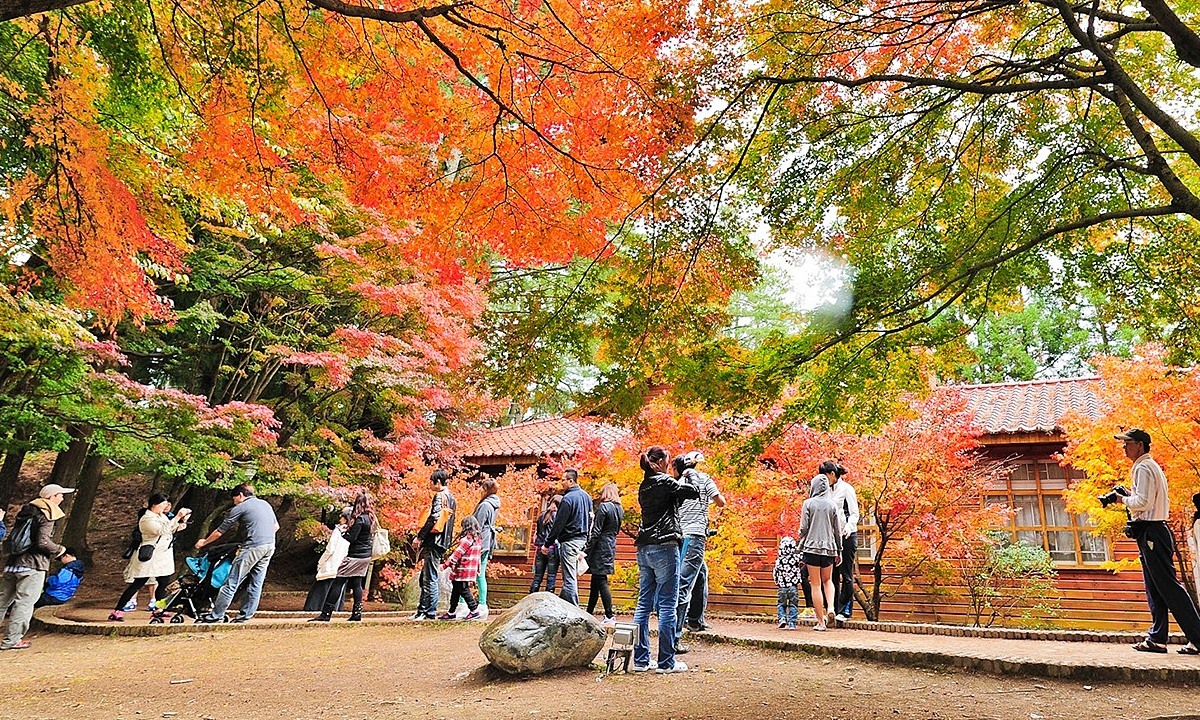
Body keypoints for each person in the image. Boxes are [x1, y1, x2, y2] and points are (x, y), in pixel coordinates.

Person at [1112, 429, 1200, 654]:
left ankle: (1198, 637)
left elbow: (1143, 502)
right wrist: (1128, 494)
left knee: (1169, 587)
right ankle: (1157, 638)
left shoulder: (1143, 467)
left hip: (1152, 532)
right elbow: (1147, 498)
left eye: (1127, 443)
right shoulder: (1150, 466)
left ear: (1140, 445)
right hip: (1153, 532)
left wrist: (1122, 499)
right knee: (1155, 588)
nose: (1124, 447)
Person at [631, 446, 700, 674]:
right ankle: (666, 662)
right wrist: (689, 471)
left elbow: (669, 504)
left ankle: (640, 661)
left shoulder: (644, 486)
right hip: (666, 546)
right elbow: (693, 492)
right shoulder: (665, 481)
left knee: (643, 604)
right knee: (668, 604)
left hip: (644, 548)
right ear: (661, 462)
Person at [0, 484, 76, 650]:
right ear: (51, 497)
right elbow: (42, 542)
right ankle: (12, 640)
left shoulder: (27, 511)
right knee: (24, 603)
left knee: (2, 602)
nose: (62, 498)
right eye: (60, 495)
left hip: (12, 563)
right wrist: (59, 549)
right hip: (33, 565)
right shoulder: (47, 513)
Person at [195, 484, 279, 624]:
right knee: (256, 583)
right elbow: (276, 527)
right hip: (269, 546)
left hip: (253, 547)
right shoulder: (265, 504)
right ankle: (244, 617)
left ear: (240, 495)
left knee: (232, 581)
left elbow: (220, 531)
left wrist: (203, 543)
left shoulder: (241, 507)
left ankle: (216, 616)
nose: (234, 502)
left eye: (234, 499)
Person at [673, 451, 726, 651]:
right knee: (684, 585)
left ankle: (695, 619)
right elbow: (721, 502)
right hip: (694, 536)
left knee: (701, 573)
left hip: (680, 535)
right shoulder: (704, 479)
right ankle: (674, 637)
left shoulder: (676, 482)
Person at [110, 493, 191, 621]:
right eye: (163, 504)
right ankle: (117, 611)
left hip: (163, 556)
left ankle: (159, 609)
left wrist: (182, 521)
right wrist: (177, 517)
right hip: (150, 556)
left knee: (163, 583)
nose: (166, 506)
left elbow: (171, 529)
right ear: (154, 504)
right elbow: (161, 531)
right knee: (137, 583)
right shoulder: (147, 518)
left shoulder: (162, 516)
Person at [310, 493, 376, 622]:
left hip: (354, 556)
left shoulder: (360, 519)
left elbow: (351, 538)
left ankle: (326, 613)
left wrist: (343, 532)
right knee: (357, 584)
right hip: (366, 556)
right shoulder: (371, 518)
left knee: (338, 582)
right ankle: (357, 614)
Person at [799, 463, 844, 632]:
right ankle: (831, 607)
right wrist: (839, 549)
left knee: (815, 584)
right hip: (829, 549)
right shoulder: (832, 505)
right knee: (828, 580)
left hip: (811, 548)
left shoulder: (808, 504)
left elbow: (804, 528)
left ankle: (821, 622)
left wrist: (800, 538)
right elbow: (837, 530)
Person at [412, 468, 456, 620]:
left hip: (434, 541)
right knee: (426, 576)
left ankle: (428, 612)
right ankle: (421, 610)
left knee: (429, 577)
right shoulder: (452, 498)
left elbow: (433, 518)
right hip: (443, 541)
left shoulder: (439, 496)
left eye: (431, 481)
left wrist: (419, 537)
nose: (429, 484)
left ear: (438, 482)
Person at [544, 469, 591, 605]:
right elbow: (590, 519)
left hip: (569, 541)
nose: (562, 483)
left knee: (569, 577)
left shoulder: (568, 499)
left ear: (571, 481)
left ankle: (573, 609)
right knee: (571, 574)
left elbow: (558, 524)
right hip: (581, 540)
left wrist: (547, 544)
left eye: (563, 480)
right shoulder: (586, 497)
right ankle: (562, 604)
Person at [584, 483, 623, 627]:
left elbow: (596, 532)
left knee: (601, 580)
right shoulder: (619, 509)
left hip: (600, 546)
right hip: (610, 545)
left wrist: (586, 550)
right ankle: (588, 612)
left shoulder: (604, 507)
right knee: (596, 580)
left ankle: (609, 615)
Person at [828, 463, 859, 623]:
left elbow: (854, 513)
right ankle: (832, 609)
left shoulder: (847, 489)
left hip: (847, 535)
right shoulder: (826, 490)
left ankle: (845, 611)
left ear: (833, 474)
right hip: (832, 537)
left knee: (846, 573)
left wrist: (849, 527)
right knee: (831, 574)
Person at [304, 508, 351, 612]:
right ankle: (335, 611)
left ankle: (314, 610)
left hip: (331, 565)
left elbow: (330, 549)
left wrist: (321, 563)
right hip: (343, 566)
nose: (340, 517)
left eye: (342, 515)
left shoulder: (338, 530)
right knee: (337, 591)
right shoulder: (353, 532)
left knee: (320, 590)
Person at [439, 516, 483, 620]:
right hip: (470, 570)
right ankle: (451, 612)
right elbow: (478, 558)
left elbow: (457, 554)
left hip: (463, 569)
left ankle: (474, 610)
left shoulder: (467, 539)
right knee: (456, 590)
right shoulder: (477, 540)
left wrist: (445, 565)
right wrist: (478, 570)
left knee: (464, 590)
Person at [471, 478, 501, 616]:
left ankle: (470, 603)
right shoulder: (494, 505)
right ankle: (481, 603)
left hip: (479, 543)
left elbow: (478, 525)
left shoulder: (485, 505)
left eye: (482, 488)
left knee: (470, 573)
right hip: (486, 542)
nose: (480, 491)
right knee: (480, 573)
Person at [529, 495, 561, 594]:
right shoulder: (558, 516)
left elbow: (538, 532)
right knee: (551, 575)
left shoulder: (542, 515)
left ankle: (532, 594)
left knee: (538, 575)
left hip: (540, 547)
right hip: (552, 548)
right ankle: (549, 596)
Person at [774, 536, 803, 629]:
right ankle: (792, 623)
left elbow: (775, 572)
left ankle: (782, 619)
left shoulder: (779, 560)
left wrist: (777, 582)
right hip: (793, 586)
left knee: (781, 604)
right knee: (793, 604)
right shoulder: (794, 558)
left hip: (782, 587)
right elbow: (803, 557)